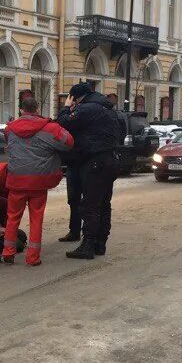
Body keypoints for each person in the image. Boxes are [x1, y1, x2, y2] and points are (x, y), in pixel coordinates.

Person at [57, 82, 128, 260]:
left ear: (74, 98)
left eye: (71, 99)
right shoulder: (110, 110)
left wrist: (66, 108)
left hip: (95, 162)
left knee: (89, 205)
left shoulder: (87, 109)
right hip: (111, 159)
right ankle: (100, 244)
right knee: (104, 204)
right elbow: (122, 132)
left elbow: (63, 124)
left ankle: (87, 245)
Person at [0, 96, 74, 266]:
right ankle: (33, 257)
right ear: (37, 109)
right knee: (36, 217)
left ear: (21, 110)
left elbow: (9, 143)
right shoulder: (50, 128)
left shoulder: (10, 128)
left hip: (16, 180)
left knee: (12, 218)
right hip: (39, 181)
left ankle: (8, 253)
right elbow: (69, 142)